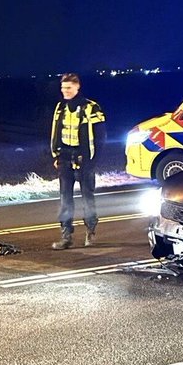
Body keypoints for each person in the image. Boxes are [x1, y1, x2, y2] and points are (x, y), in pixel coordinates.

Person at [49, 73, 106, 249]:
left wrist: (92, 160)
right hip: (65, 158)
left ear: (77, 87)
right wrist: (55, 155)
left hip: (84, 160)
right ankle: (66, 236)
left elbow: (100, 137)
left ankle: (90, 232)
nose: (65, 91)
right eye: (63, 88)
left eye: (68, 88)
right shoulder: (60, 107)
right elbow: (55, 132)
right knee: (65, 199)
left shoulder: (92, 108)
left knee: (87, 197)